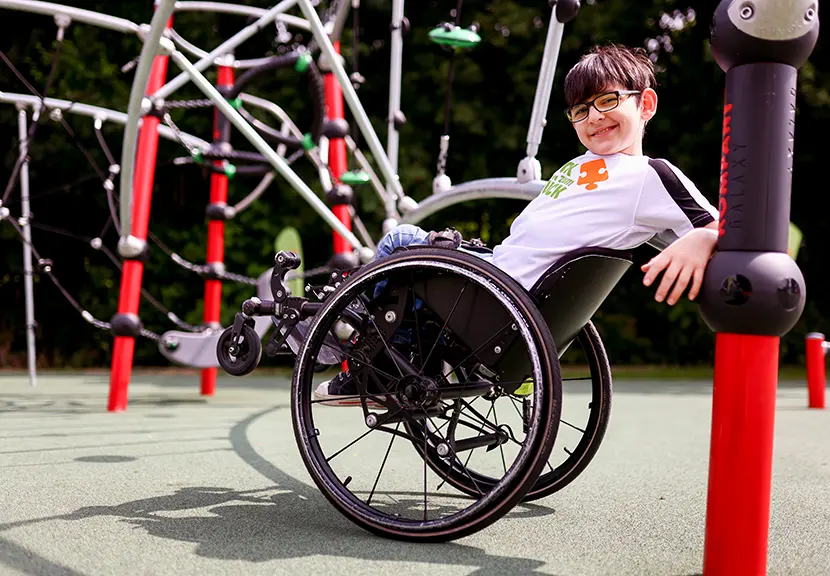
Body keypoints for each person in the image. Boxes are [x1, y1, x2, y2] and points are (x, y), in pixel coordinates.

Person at [315, 43, 719, 405]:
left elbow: (726, 225)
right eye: (581, 110)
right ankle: (393, 355)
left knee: (402, 240)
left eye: (608, 100)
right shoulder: (581, 165)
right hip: (499, 281)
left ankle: (346, 347)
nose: (594, 117)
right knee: (417, 265)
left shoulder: (649, 175)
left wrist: (701, 237)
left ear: (645, 104)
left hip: (503, 298)